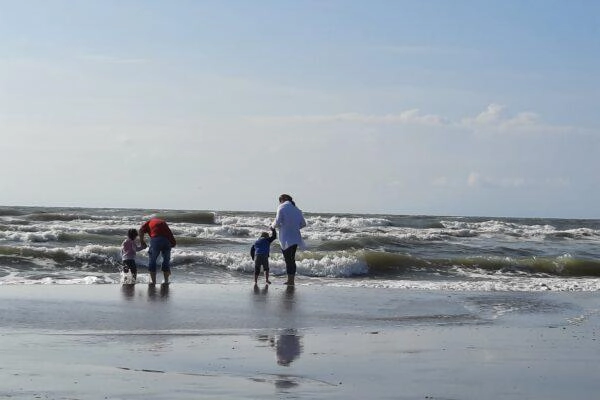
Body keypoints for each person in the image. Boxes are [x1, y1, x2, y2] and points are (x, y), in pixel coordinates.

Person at [271, 194, 306, 286]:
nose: (279, 202)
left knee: (288, 260)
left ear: (283, 199)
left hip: (286, 238)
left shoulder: (281, 207)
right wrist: (294, 226)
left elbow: (277, 222)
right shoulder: (297, 210)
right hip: (295, 237)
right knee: (292, 259)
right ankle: (291, 280)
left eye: (280, 200)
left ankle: (290, 280)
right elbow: (303, 224)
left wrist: (272, 226)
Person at [139, 217, 176, 285]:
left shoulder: (148, 223)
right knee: (166, 261)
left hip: (156, 240)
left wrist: (142, 242)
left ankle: (153, 282)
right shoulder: (163, 222)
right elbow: (170, 234)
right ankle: (166, 281)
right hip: (167, 240)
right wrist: (173, 243)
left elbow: (141, 230)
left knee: (152, 260)